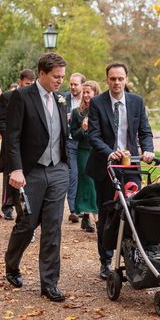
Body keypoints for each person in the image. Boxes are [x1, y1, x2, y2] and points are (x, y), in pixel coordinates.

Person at [4, 53, 71, 303]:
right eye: (56, 77)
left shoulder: (61, 99)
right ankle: (12, 265)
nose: (60, 82)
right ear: (41, 73)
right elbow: (12, 137)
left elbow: (62, 133)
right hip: (31, 171)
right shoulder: (21, 97)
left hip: (57, 170)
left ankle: (49, 283)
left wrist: (66, 166)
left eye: (62, 77)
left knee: (53, 228)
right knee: (27, 225)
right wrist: (16, 169)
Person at [86, 61, 154, 280]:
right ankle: (105, 261)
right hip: (105, 166)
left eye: (120, 78)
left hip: (130, 166)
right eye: (113, 79)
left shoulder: (136, 102)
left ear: (126, 79)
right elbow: (94, 135)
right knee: (107, 214)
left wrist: (148, 150)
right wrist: (109, 152)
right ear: (107, 80)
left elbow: (145, 131)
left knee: (134, 211)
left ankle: (133, 256)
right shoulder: (97, 102)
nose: (116, 82)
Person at [0, 71, 36, 220]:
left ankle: (24, 206)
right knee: (10, 174)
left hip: (28, 145)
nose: (29, 86)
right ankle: (7, 205)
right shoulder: (7, 97)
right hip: (11, 143)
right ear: (20, 81)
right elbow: (0, 121)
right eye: (27, 83)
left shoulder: (34, 98)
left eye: (32, 84)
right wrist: (12, 137)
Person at [70, 80, 100, 233]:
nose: (87, 95)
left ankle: (87, 216)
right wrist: (83, 129)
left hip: (99, 152)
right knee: (88, 183)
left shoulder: (101, 109)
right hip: (84, 152)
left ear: (96, 93)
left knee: (96, 184)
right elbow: (74, 135)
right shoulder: (77, 112)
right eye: (85, 92)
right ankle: (97, 219)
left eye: (90, 92)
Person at [64, 72, 86, 223]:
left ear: (82, 86)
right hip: (70, 141)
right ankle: (73, 210)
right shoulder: (62, 98)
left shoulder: (89, 99)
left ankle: (84, 209)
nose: (72, 87)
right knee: (73, 175)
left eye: (75, 84)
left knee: (85, 175)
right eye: (71, 84)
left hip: (85, 143)